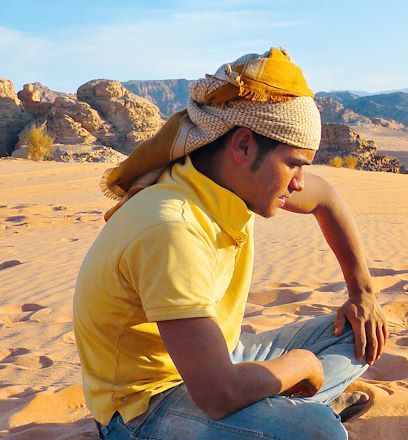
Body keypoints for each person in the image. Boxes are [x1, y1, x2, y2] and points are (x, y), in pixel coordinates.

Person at [73, 48, 387, 440]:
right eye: (294, 164)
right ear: (242, 146)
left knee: (359, 332)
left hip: (219, 358)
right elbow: (218, 395)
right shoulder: (173, 227)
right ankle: (297, 409)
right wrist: (302, 363)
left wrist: (363, 293)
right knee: (317, 431)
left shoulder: (232, 183)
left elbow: (327, 199)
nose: (299, 183)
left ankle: (280, 409)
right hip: (145, 408)